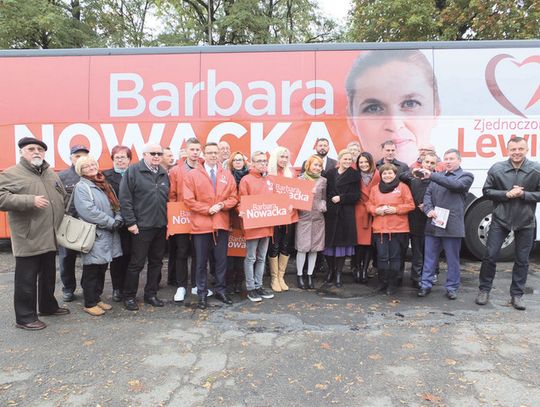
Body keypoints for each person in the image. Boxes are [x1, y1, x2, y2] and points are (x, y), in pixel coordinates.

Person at [0, 137, 69, 330]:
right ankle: (24, 318)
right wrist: (29, 200)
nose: (36, 152)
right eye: (31, 149)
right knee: (26, 280)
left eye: (40, 149)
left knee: (48, 275)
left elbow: (62, 195)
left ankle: (47, 306)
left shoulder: (50, 173)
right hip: (28, 236)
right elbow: (1, 197)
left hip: (50, 234)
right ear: (22, 152)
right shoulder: (11, 173)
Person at [476, 137, 540, 310]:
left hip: (526, 222)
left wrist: (524, 195)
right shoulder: (497, 168)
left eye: (520, 149)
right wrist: (507, 194)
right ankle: (484, 290)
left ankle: (517, 295)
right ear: (507, 151)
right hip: (500, 220)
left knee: (522, 260)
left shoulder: (536, 169)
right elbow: (486, 191)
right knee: (490, 256)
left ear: (527, 149)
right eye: (513, 149)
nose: (517, 152)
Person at [346, 49, 440, 166]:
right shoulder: (350, 177)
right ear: (351, 121)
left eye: (410, 104)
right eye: (374, 108)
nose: (394, 125)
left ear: (436, 111)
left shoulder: (443, 174)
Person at [183, 142, 238, 310]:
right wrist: (207, 209)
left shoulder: (226, 174)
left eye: (216, 152)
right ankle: (201, 293)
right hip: (201, 225)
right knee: (200, 262)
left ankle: (220, 290)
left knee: (221, 261)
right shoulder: (192, 174)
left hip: (221, 224)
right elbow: (188, 200)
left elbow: (234, 197)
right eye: (210, 152)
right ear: (203, 154)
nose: (213, 155)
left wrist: (221, 206)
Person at [417, 149, 474, 299]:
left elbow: (455, 185)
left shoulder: (466, 176)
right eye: (446, 159)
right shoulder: (438, 176)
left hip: (452, 225)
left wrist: (432, 175)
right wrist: (428, 210)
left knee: (452, 258)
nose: (448, 161)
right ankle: (425, 284)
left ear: (459, 161)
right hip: (434, 222)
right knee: (429, 257)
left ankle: (452, 287)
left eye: (451, 159)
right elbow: (428, 195)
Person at [120, 143, 170, 311]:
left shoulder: (163, 173)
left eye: (159, 153)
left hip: (160, 226)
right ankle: (129, 296)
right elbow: (125, 199)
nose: (156, 156)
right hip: (141, 227)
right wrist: (131, 223)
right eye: (152, 153)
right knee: (137, 263)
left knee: (156, 262)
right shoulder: (133, 171)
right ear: (144, 154)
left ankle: (151, 294)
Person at [73, 156, 123, 316]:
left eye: (93, 164)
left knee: (102, 267)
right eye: (86, 166)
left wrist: (119, 218)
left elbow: (116, 204)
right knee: (92, 268)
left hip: (108, 233)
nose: (91, 167)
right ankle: (89, 302)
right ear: (81, 171)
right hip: (95, 234)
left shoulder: (103, 183)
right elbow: (88, 211)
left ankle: (97, 298)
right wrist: (110, 222)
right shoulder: (82, 187)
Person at [168, 138, 213, 302]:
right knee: (181, 251)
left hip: (200, 216)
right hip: (182, 216)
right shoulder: (176, 170)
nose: (195, 153)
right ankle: (181, 286)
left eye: (197, 150)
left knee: (198, 252)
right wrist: (174, 217)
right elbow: (172, 195)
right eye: (192, 149)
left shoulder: (205, 169)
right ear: (186, 151)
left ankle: (196, 284)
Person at [367, 163, 414, 295]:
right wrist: (375, 210)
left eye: (390, 173)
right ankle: (382, 282)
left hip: (398, 229)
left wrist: (396, 209)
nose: (387, 175)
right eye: (385, 173)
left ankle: (393, 284)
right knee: (381, 257)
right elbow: (369, 205)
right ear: (381, 175)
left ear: (395, 174)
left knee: (394, 258)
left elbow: (410, 205)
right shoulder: (375, 189)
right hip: (380, 229)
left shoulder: (403, 187)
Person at [238, 151, 276, 302]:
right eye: (259, 161)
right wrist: (242, 211)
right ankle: (250, 288)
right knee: (251, 257)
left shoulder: (270, 180)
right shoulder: (246, 180)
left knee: (261, 257)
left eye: (265, 161)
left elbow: (276, 201)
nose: (263, 164)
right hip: (253, 226)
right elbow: (241, 201)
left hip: (267, 225)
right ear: (253, 163)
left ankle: (259, 285)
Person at [323, 149, 360, 288]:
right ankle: (330, 271)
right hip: (331, 214)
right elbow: (324, 192)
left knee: (341, 246)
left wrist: (342, 198)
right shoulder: (330, 173)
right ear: (339, 159)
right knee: (329, 245)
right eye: (345, 159)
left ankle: (338, 273)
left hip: (345, 213)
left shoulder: (355, 175)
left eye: (350, 160)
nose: (347, 161)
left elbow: (356, 195)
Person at [58, 144, 89, 302]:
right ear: (71, 158)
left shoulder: (92, 175)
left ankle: (87, 287)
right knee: (66, 259)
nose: (80, 159)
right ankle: (68, 289)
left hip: (88, 225)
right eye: (77, 156)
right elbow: (57, 201)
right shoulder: (62, 177)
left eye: (83, 156)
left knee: (89, 260)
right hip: (69, 223)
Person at [103, 145, 132, 302]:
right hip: (115, 222)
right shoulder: (105, 176)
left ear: (129, 159)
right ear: (113, 159)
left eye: (124, 157)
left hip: (132, 222)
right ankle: (117, 288)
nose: (121, 160)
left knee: (130, 256)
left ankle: (128, 287)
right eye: (117, 157)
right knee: (117, 258)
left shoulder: (135, 173)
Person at [405, 153, 438, 288]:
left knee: (431, 250)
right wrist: (413, 172)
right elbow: (402, 176)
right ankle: (416, 277)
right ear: (422, 163)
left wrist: (429, 207)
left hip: (432, 220)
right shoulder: (414, 178)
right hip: (416, 220)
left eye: (432, 163)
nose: (429, 165)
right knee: (417, 251)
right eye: (427, 162)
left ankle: (430, 275)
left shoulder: (438, 179)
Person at [267, 146, 298, 292]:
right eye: (281, 157)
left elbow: (297, 194)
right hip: (274, 216)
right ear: (275, 157)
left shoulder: (291, 174)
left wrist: (294, 204)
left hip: (290, 216)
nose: (284, 160)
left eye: (286, 157)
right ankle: (274, 278)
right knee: (274, 246)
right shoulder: (268, 174)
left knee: (286, 246)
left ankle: (281, 276)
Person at [295, 155, 327, 289]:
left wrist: (323, 205)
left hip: (318, 218)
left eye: (319, 165)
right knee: (302, 248)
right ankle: (299, 275)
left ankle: (309, 275)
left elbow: (324, 197)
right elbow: (294, 198)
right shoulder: (300, 179)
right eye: (315, 165)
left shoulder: (323, 180)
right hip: (304, 218)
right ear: (309, 165)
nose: (317, 168)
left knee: (314, 248)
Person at [353, 152, 380, 284]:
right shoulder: (354, 175)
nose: (363, 165)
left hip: (373, 212)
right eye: (361, 162)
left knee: (369, 243)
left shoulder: (378, 175)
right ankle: (357, 268)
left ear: (371, 162)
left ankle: (365, 269)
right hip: (358, 212)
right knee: (359, 243)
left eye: (365, 162)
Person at [227, 151, 250, 294]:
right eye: (235, 160)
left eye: (240, 159)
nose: (237, 162)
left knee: (241, 254)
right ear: (231, 162)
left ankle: (238, 283)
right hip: (230, 217)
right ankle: (228, 282)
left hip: (244, 219)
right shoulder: (227, 177)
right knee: (229, 254)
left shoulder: (248, 178)